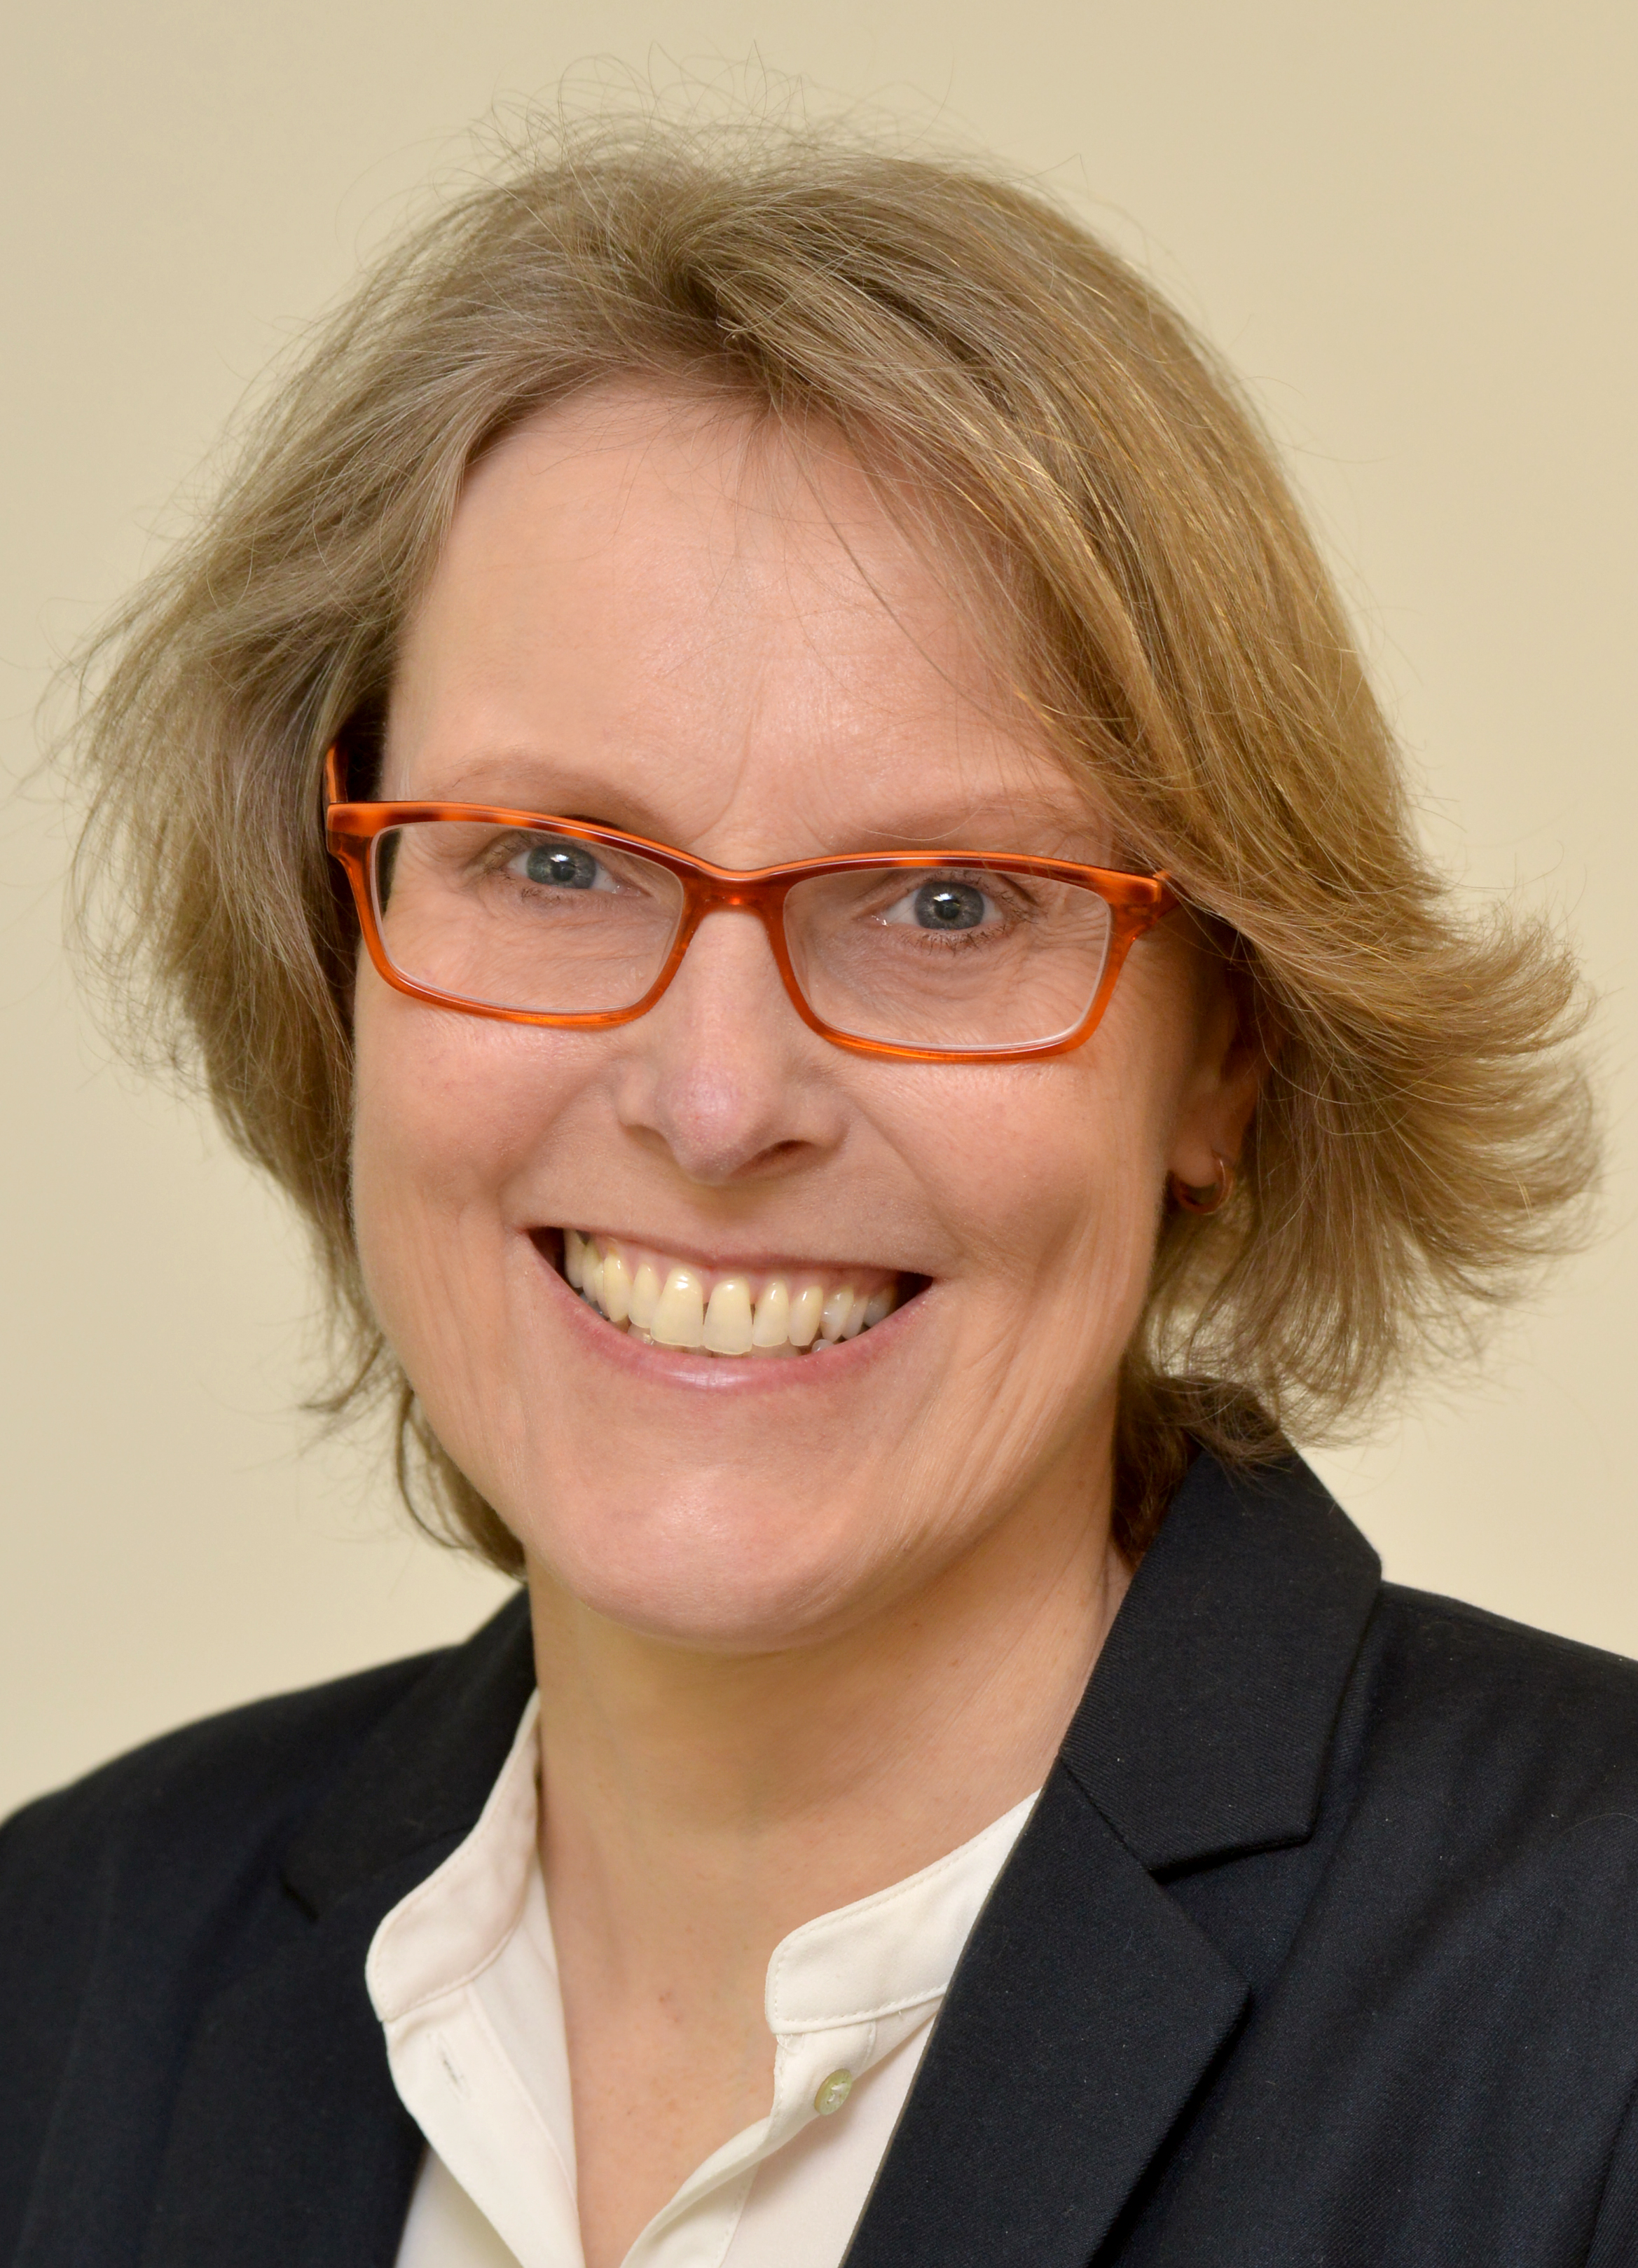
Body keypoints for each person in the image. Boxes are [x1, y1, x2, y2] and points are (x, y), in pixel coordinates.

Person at [1, 116, 1625, 2268]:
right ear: (336, 951)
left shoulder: (1591, 2008)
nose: (715, 1097)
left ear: (1225, 1049)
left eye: (947, 901)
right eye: (553, 862)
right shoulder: (57, 1981)